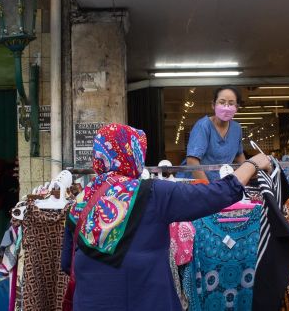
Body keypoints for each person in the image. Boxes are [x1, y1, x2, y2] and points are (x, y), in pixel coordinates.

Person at [61, 123, 271, 311]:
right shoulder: (154, 194)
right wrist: (251, 164)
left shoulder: (80, 202)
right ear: (131, 154)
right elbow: (217, 194)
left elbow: (67, 264)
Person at [186, 85, 245, 182]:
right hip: (199, 185)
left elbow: (239, 155)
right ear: (213, 105)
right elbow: (192, 161)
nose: (226, 107)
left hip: (222, 184)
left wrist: (246, 175)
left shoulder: (236, 128)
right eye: (222, 102)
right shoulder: (203, 126)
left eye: (231, 103)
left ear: (236, 107)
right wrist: (209, 189)